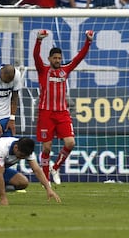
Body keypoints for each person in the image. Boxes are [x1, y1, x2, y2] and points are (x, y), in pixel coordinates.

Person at [34, 29, 94, 185]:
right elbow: (35, 57)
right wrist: (39, 40)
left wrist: (88, 41)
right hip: (46, 113)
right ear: (50, 59)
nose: (58, 60)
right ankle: (45, 181)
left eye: (59, 58)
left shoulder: (65, 71)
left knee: (70, 143)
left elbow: (79, 58)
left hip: (62, 113)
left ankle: (55, 167)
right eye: (55, 58)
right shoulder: (43, 70)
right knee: (46, 148)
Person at [0, 137, 61, 205]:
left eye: (24, 156)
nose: (21, 158)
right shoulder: (1, 147)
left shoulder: (26, 150)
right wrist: (3, 198)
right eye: (21, 155)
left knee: (23, 183)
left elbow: (37, 170)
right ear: (15, 147)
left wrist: (49, 189)